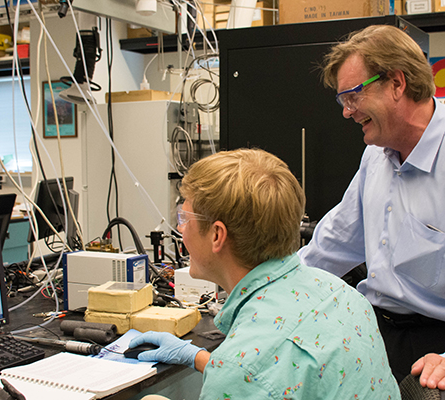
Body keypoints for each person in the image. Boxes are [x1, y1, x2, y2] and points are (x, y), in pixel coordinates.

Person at [129, 148, 400, 399]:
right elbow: (286, 376)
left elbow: (254, 375)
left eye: (184, 219)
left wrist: (229, 370)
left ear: (217, 235)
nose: (180, 230)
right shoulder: (344, 295)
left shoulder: (241, 370)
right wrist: (199, 357)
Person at [296, 24, 445, 383]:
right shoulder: (375, 156)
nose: (347, 112)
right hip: (376, 331)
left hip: (435, 348)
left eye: (353, 96)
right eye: (342, 100)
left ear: (397, 83)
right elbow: (332, 245)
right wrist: (263, 288)